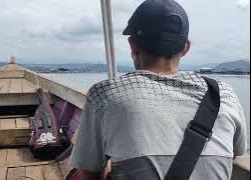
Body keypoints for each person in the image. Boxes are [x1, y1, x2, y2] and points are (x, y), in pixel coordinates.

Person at [69, 0, 248, 179]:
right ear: (185, 48)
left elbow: (89, 172)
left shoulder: (104, 95)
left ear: (133, 45)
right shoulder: (223, 94)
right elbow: (238, 150)